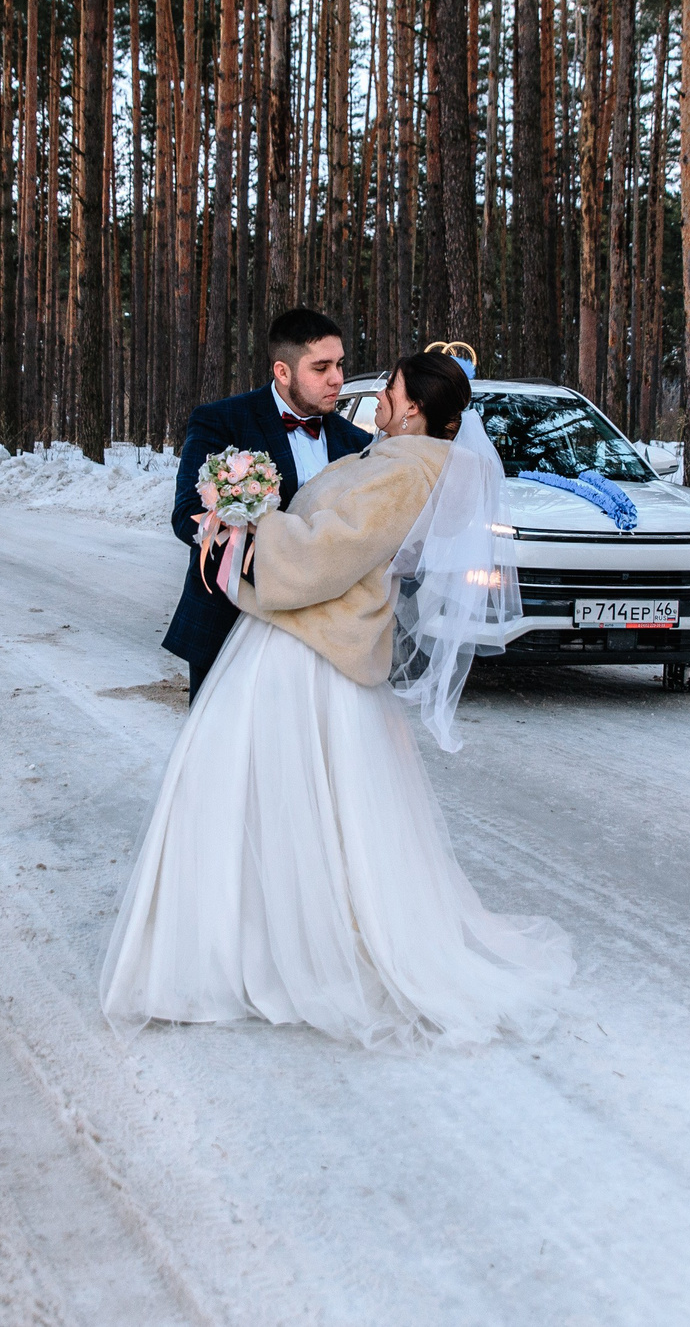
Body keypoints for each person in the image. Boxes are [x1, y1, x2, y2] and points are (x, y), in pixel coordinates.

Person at [102, 352, 575, 1051]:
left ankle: (263, 950)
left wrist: (248, 531)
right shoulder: (396, 456)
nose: (375, 394)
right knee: (269, 801)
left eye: (388, 387)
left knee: (267, 799)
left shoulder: (407, 469)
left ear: (412, 406)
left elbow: (333, 552)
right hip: (302, 638)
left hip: (312, 648)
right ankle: (251, 940)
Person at [162, 307, 373, 696]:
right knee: (224, 750)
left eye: (340, 365)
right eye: (321, 367)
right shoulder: (221, 421)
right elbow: (186, 516)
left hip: (322, 632)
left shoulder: (357, 444)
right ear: (282, 371)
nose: (337, 379)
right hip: (232, 620)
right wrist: (266, 552)